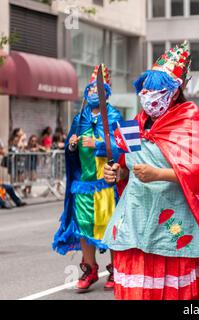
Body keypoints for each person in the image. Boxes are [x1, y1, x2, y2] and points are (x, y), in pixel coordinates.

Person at [102, 41, 199, 301]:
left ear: (176, 89)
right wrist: (116, 173)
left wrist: (159, 174)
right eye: (147, 87)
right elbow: (126, 168)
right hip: (135, 218)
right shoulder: (135, 124)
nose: (149, 93)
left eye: (158, 87)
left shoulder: (189, 117)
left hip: (171, 223)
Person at [53, 65, 123, 291]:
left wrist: (99, 144)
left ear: (107, 92)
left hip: (106, 183)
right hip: (83, 183)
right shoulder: (79, 117)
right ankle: (90, 269)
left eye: (99, 90)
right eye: (91, 90)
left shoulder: (114, 116)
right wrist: (72, 145)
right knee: (83, 226)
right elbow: (70, 147)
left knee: (109, 226)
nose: (94, 94)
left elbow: (121, 147)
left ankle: (116, 269)